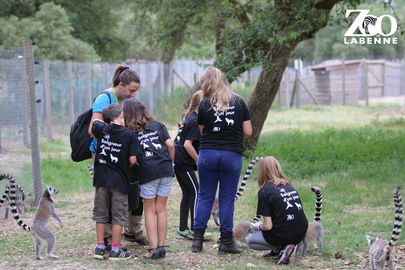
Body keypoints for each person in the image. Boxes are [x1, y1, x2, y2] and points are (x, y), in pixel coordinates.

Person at [191, 66, 252, 255]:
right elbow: (248, 132)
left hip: (207, 154)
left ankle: (197, 241)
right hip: (231, 155)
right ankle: (226, 242)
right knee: (226, 199)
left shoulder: (203, 103)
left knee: (205, 196)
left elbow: (202, 131)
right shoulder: (240, 101)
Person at [88, 65, 147, 248]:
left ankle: (130, 231)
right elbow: (93, 129)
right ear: (121, 84)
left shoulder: (122, 100)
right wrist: (118, 142)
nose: (133, 95)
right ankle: (107, 237)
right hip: (106, 154)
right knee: (109, 194)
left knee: (126, 192)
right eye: (131, 90)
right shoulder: (103, 99)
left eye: (135, 91)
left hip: (121, 154)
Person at [123, 98, 175, 259]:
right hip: (166, 170)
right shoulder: (158, 125)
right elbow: (171, 145)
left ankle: (153, 250)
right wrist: (171, 163)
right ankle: (162, 247)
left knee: (150, 210)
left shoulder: (130, 132)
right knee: (162, 210)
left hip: (148, 173)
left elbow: (132, 158)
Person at [92, 104, 138, 260]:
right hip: (119, 181)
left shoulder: (101, 129)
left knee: (101, 214)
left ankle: (99, 248)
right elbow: (132, 160)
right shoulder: (129, 134)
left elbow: (95, 123)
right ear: (121, 115)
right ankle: (115, 250)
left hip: (101, 179)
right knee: (118, 216)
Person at [247, 156, 308, 265]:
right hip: (301, 231)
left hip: (284, 233)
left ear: (261, 171)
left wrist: (257, 226)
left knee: (251, 241)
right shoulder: (288, 184)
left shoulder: (265, 192)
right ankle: (280, 250)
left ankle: (282, 247)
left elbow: (268, 226)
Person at [174, 90, 211, 240]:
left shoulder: (190, 118)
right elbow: (187, 145)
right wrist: (198, 160)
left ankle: (183, 229)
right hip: (183, 161)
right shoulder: (195, 120)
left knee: (188, 193)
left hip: (178, 161)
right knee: (196, 192)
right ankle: (196, 229)